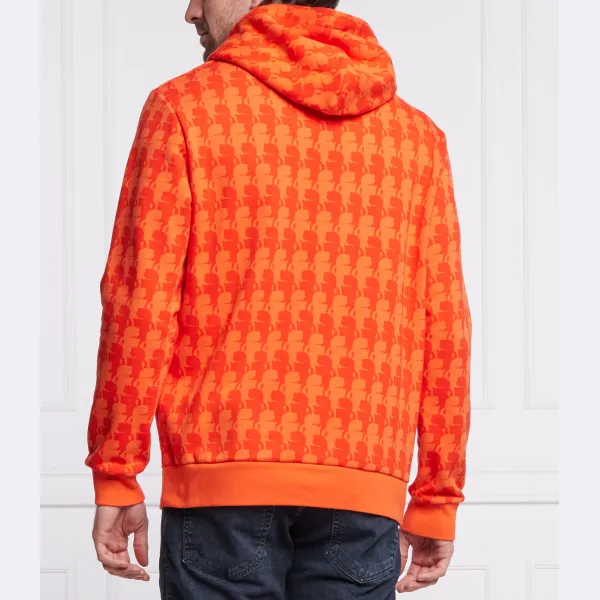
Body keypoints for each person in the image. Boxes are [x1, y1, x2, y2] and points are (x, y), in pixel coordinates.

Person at [85, 0, 473, 597]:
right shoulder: (417, 140)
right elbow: (444, 326)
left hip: (221, 485)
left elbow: (140, 300)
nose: (190, 10)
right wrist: (437, 495)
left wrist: (117, 470)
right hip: (364, 491)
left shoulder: (186, 108)